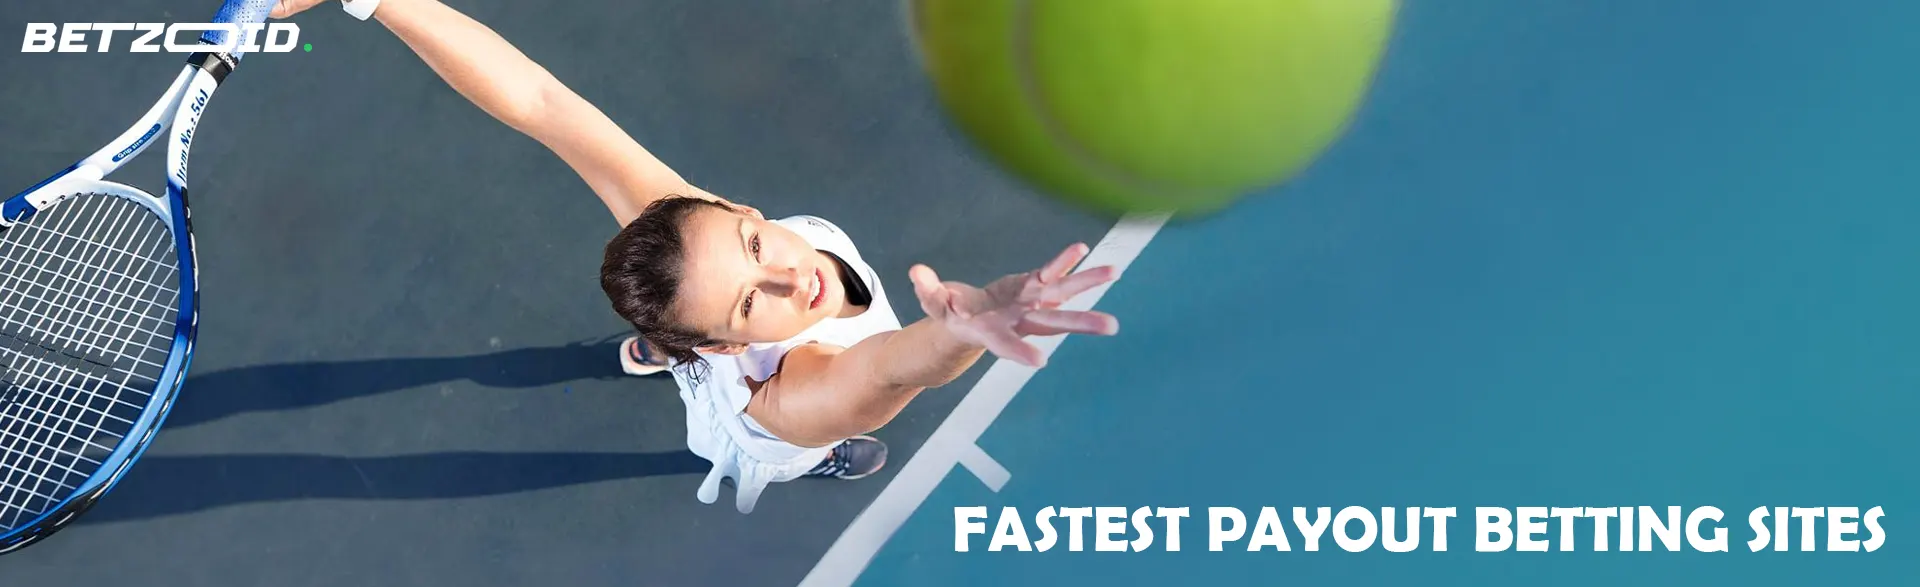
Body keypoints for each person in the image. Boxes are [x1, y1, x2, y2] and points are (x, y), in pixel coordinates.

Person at [268, 0, 1121, 513]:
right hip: (751, 426)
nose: (795, 276)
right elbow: (888, 373)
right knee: (810, 429)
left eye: (756, 244)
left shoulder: (691, 230)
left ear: (738, 210)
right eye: (756, 303)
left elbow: (539, 100)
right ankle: (682, 365)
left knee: (683, 292)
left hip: (693, 331)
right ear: (728, 346)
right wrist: (962, 333)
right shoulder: (796, 394)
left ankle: (653, 345)